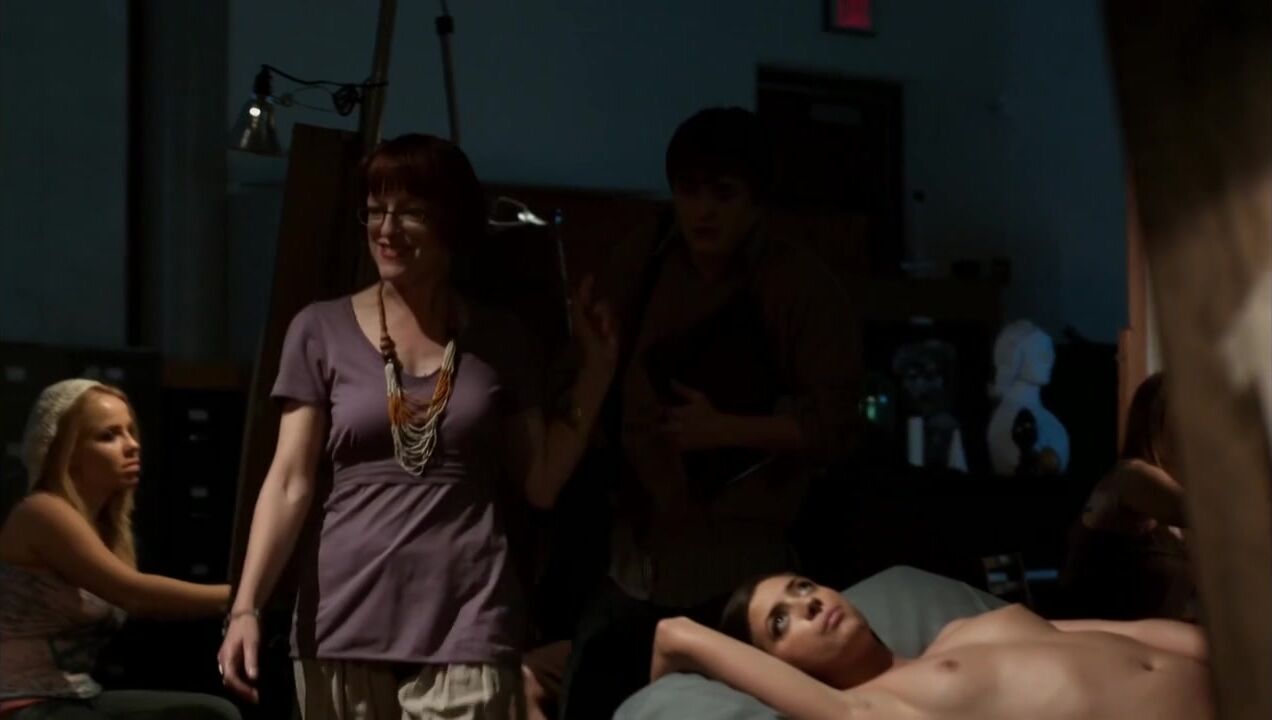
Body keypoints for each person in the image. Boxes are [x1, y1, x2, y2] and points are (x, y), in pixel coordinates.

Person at [217, 133, 617, 719]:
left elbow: (541, 481)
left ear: (452, 221)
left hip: (469, 621)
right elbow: (288, 481)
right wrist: (246, 607)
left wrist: (597, 371)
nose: (387, 229)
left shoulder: (498, 338)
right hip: (344, 620)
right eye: (375, 210)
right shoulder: (319, 329)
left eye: (410, 212)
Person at [547, 106, 861, 719]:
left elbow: (838, 425)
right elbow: (585, 374)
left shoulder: (797, 284)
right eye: (689, 191)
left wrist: (727, 430)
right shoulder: (645, 258)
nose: (703, 211)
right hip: (635, 549)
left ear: (754, 200)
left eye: (723, 193)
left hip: (740, 560)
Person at [650, 572, 1213, 720]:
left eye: (803, 587)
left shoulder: (962, 629)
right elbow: (673, 633)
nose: (810, 603)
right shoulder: (878, 707)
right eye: (780, 622)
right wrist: (677, 641)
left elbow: (1127, 632)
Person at [0, 379, 239, 719]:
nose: (132, 445)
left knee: (214, 713)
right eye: (108, 436)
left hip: (73, 695)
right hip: (19, 701)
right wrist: (247, 598)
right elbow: (135, 595)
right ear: (66, 452)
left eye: (130, 431)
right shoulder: (42, 511)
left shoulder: (106, 528)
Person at [1061, 372, 1193, 620]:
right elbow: (1209, 517)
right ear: (1157, 423)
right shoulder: (1132, 476)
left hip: (1146, 637)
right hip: (1102, 636)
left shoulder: (1170, 490)